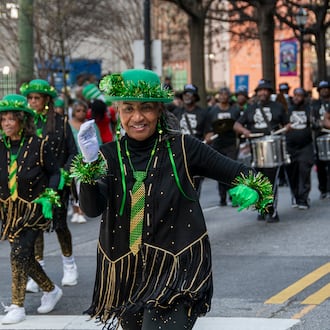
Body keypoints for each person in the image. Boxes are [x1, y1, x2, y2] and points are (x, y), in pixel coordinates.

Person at [71, 69, 272, 330]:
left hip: (175, 273)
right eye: (128, 108)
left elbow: (240, 172)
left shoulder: (183, 148)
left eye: (146, 108)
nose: (138, 117)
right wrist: (88, 168)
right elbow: (91, 209)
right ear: (119, 111)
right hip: (127, 274)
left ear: (159, 111)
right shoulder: (109, 154)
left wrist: (253, 188)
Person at [0, 94, 63, 324]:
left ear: (22, 121)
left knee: (18, 253)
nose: (6, 123)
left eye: (11, 119)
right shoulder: (0, 146)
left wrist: (50, 194)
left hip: (34, 209)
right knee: (24, 255)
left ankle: (17, 306)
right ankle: (50, 289)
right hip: (8, 211)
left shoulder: (39, 145)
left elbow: (56, 172)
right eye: (3, 119)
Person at [20, 79, 79, 291]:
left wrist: (64, 173)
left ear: (46, 99)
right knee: (35, 228)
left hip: (58, 182)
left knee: (61, 225)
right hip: (35, 184)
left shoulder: (61, 121)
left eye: (37, 98)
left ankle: (69, 264)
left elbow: (73, 151)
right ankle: (39, 270)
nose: (33, 101)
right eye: (30, 98)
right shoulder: (26, 123)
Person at [233, 79, 290, 223]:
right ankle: (262, 208)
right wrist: (244, 131)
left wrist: (287, 128)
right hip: (255, 148)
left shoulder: (278, 107)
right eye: (260, 90)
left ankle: (271, 211)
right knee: (257, 181)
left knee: (271, 182)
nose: (263, 92)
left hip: (272, 147)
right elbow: (237, 124)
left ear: (270, 92)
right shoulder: (251, 108)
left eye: (266, 90)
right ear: (257, 92)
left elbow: (287, 123)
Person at [205, 87, 240, 206]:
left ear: (229, 97)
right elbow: (208, 128)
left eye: (225, 94)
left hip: (230, 145)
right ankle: (222, 197)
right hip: (217, 145)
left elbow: (239, 125)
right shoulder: (212, 111)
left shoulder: (234, 110)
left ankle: (233, 196)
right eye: (221, 94)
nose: (223, 96)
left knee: (232, 171)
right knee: (219, 171)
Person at [69, 99, 102, 223]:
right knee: (73, 186)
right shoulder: (68, 125)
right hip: (73, 160)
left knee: (83, 185)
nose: (81, 113)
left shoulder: (90, 125)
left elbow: (97, 141)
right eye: (78, 111)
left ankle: (82, 210)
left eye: (83, 110)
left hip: (87, 161)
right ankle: (75, 210)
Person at [172, 84, 207, 196]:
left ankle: (194, 208)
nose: (187, 96)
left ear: (195, 97)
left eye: (190, 94)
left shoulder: (202, 113)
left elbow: (208, 132)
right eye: (185, 94)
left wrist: (206, 142)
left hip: (195, 151)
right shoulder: (176, 112)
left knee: (195, 183)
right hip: (178, 150)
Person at [285, 88, 314, 209]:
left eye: (300, 95)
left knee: (304, 171)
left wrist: (315, 122)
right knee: (292, 173)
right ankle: (296, 196)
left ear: (304, 97)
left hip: (305, 146)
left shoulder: (309, 109)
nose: (297, 97)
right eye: (295, 95)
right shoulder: (287, 110)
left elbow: (315, 123)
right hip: (290, 146)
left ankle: (303, 199)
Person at [310, 80, 330, 199]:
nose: (325, 90)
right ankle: (323, 188)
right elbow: (312, 119)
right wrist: (319, 123)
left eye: (327, 88)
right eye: (322, 89)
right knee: (320, 164)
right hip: (320, 137)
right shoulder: (315, 104)